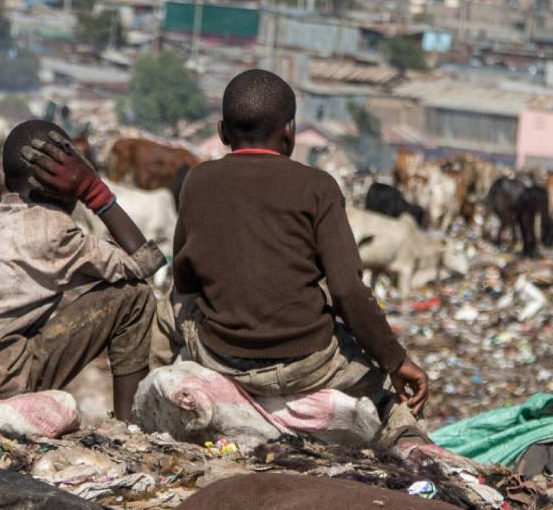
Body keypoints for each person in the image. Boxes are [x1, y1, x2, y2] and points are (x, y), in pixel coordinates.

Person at [157, 68, 430, 448]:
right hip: (311, 364)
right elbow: (349, 292)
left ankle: (141, 417)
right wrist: (396, 361)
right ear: (289, 130)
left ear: (222, 133)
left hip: (220, 355)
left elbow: (185, 280)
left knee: (166, 309)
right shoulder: (318, 186)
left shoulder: (198, 180)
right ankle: (411, 444)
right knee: (388, 399)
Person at [0, 120, 164, 420]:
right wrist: (95, 191)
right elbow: (145, 262)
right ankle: (130, 424)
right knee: (134, 296)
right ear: (64, 179)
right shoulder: (52, 230)